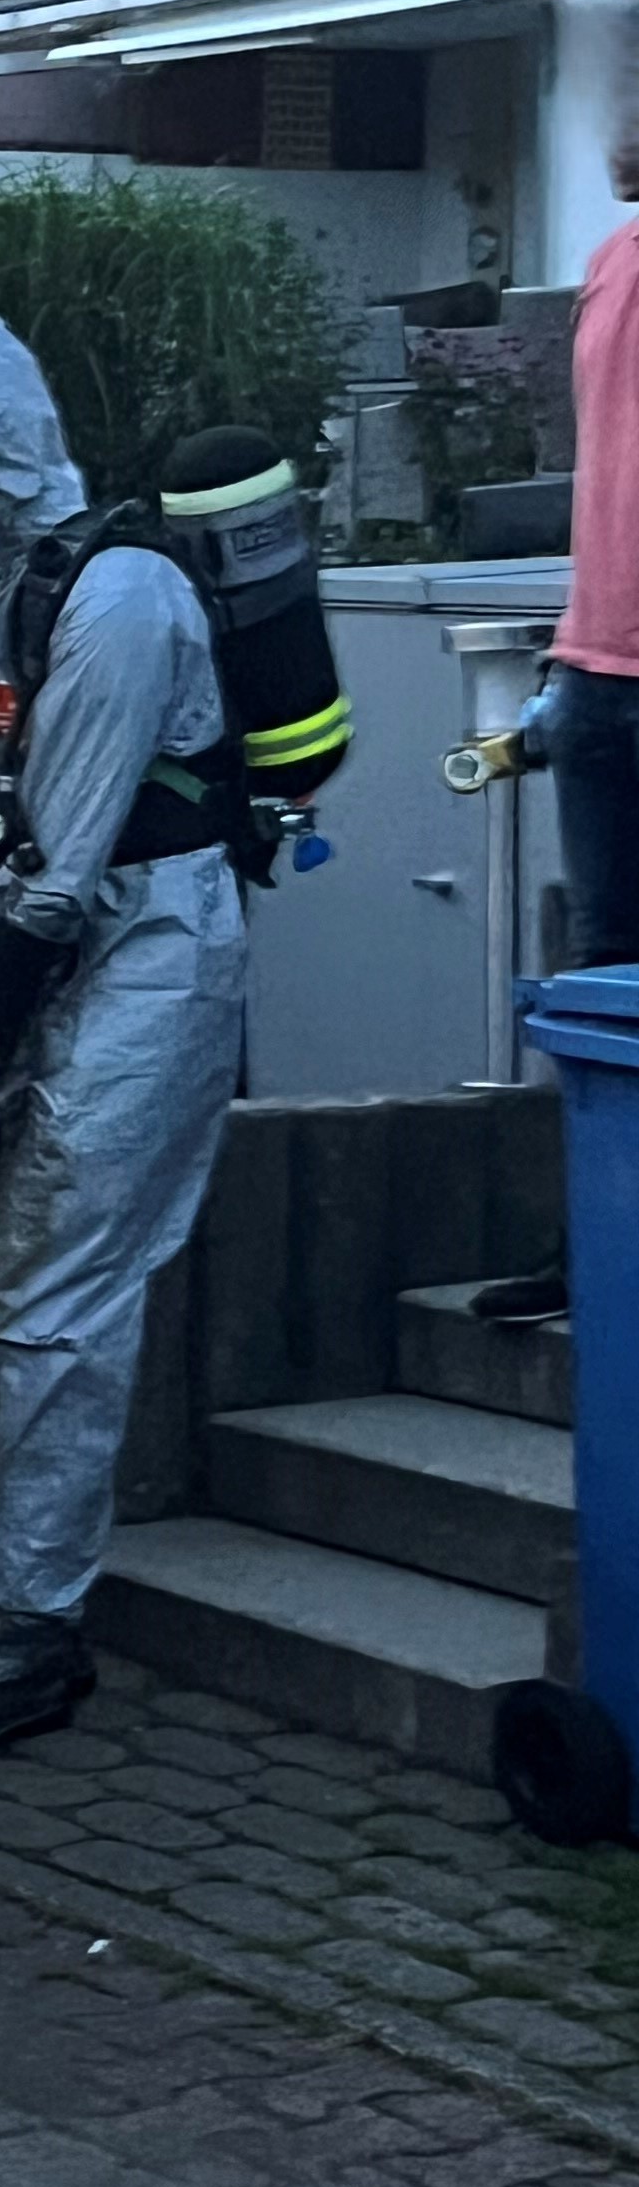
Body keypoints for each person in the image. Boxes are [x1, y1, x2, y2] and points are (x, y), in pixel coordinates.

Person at [0, 314, 248, 1766]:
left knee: (50, 1296)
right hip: (16, 951)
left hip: (148, 947)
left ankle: (31, 1635)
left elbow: (68, 861)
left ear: (2, 455)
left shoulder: (124, 597)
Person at [472, 128, 639, 1325]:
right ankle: (598, 1252)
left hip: (598, 676)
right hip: (595, 671)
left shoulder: (614, 258)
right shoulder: (615, 257)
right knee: (602, 991)